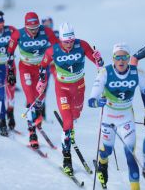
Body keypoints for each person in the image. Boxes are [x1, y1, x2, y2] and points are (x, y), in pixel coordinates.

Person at [36, 22, 104, 175]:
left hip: (79, 86)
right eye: (66, 41)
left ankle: (70, 127)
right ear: (60, 40)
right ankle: (67, 159)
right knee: (67, 121)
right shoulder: (53, 50)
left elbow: (99, 65)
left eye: (71, 40)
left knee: (76, 114)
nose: (69, 44)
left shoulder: (82, 45)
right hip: (62, 89)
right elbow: (43, 65)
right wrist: (42, 80)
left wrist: (99, 60)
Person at [88, 43, 145, 189]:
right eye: (118, 57)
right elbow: (91, 101)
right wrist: (98, 102)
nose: (121, 61)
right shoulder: (105, 72)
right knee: (107, 151)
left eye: (125, 57)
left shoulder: (138, 73)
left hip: (126, 117)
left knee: (130, 155)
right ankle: (102, 163)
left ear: (129, 58)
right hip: (108, 117)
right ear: (113, 58)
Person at [7, 11, 58, 148]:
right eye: (31, 29)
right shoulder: (18, 34)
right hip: (26, 68)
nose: (34, 31)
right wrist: (11, 72)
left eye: (36, 28)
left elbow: (57, 48)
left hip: (42, 68)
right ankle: (32, 132)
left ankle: (37, 114)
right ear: (25, 27)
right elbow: (9, 53)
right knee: (30, 98)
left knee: (40, 98)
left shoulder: (46, 31)